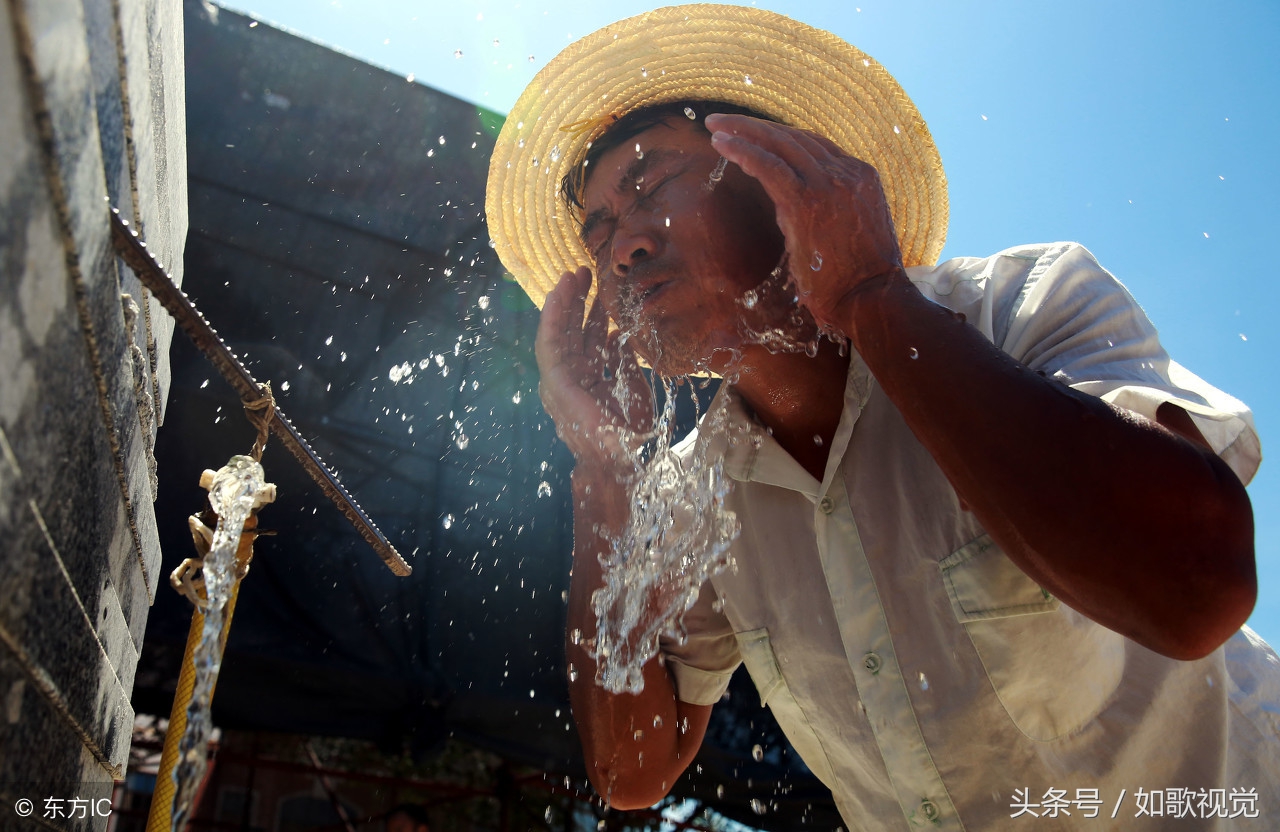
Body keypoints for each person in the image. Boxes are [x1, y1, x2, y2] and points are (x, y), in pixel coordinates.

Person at [485, 5, 1279, 829]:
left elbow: (1199, 591)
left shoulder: (1021, 306)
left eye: (647, 184)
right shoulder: (698, 490)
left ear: (780, 175)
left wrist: (871, 296)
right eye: (599, 230)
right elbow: (630, 771)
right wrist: (604, 470)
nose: (619, 248)